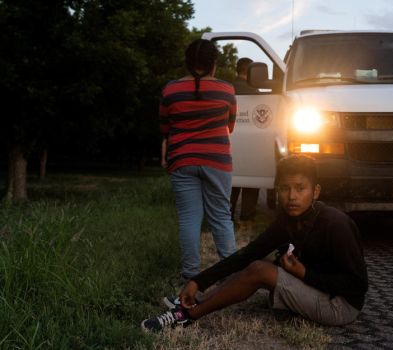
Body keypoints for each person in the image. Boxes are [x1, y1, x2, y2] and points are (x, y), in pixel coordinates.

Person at [141, 155, 369, 332]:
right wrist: (199, 281)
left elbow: (358, 286)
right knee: (257, 263)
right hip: (318, 289)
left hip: (341, 306)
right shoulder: (288, 219)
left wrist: (305, 274)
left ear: (315, 191)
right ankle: (196, 299)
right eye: (284, 188)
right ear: (276, 189)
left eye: (300, 188)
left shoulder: (336, 224)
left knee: (261, 270)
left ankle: (187, 317)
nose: (291, 196)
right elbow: (249, 254)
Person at [159, 39, 237, 282]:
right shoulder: (227, 90)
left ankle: (191, 274)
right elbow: (230, 126)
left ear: (187, 62)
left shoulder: (170, 91)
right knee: (221, 217)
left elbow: (165, 128)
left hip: (182, 160)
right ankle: (230, 274)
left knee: (189, 218)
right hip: (217, 161)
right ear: (214, 63)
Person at [230, 57, 260, 221]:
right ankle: (247, 214)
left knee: (231, 181)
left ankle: (228, 213)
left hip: (230, 142)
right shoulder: (256, 93)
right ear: (249, 71)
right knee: (251, 181)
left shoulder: (228, 88)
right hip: (252, 143)